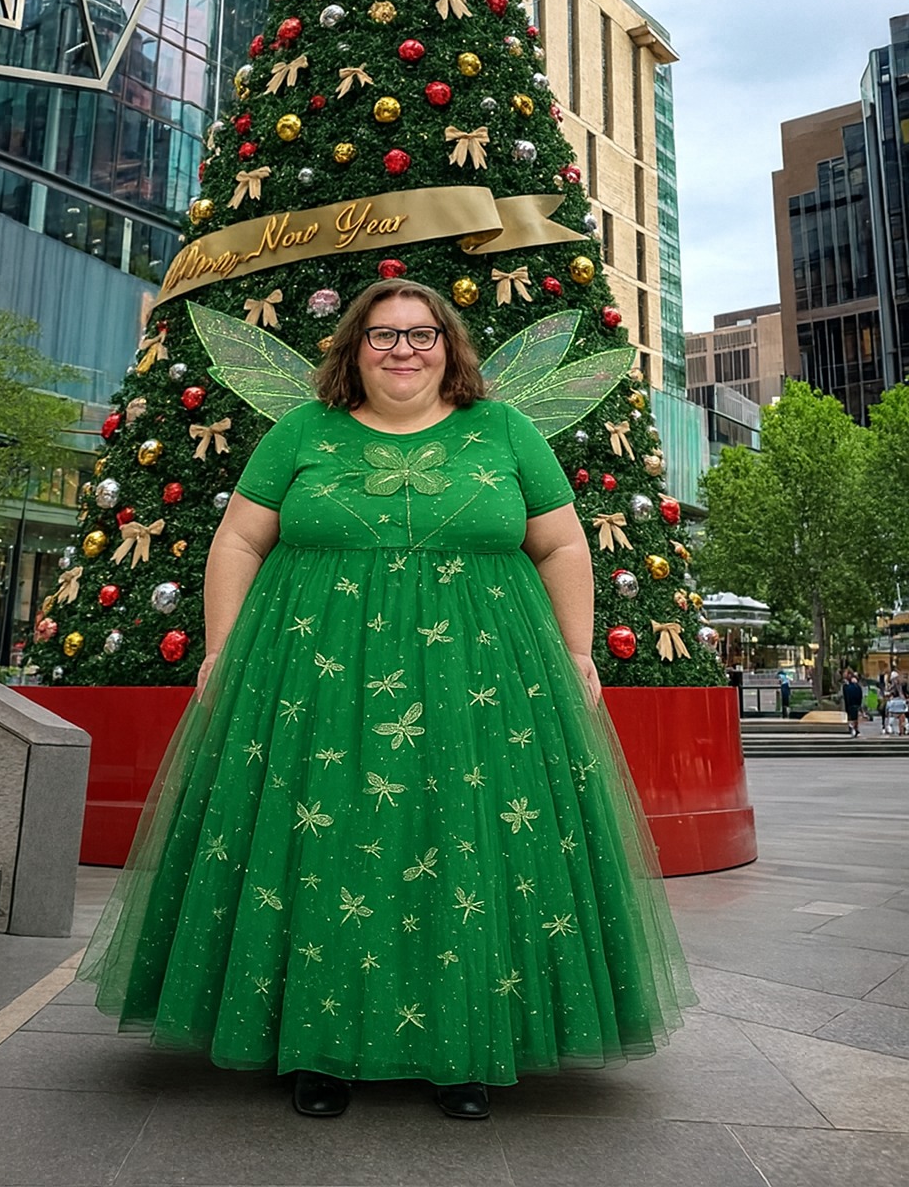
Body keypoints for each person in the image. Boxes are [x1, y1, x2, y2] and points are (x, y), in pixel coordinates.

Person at [79, 280, 693, 1119]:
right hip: (313, 683)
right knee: (327, 843)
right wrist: (221, 649)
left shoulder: (505, 430)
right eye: (383, 335)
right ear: (353, 350)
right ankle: (320, 1046)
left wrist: (579, 650)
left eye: (421, 333)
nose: (403, 350)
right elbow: (240, 537)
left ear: (449, 346)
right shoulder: (303, 430)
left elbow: (559, 544)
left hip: (482, 685)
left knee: (465, 844)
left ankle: (464, 1048)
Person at [842, 669, 864, 737]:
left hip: (852, 703)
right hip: (853, 703)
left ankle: (854, 729)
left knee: (853, 717)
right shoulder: (853, 685)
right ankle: (854, 729)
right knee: (854, 717)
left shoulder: (848, 685)